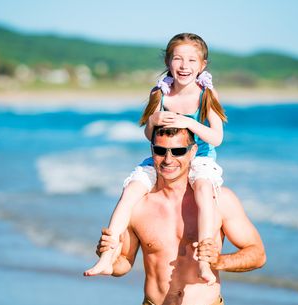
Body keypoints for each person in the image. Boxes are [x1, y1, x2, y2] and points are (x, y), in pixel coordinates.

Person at [94, 126, 266, 305]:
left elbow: (257, 254)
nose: (168, 159)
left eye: (178, 151)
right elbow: (124, 262)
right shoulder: (137, 205)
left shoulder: (219, 200)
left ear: (193, 151)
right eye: (160, 150)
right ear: (152, 150)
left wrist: (219, 261)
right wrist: (111, 261)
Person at [84, 33, 227, 285]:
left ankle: (204, 260)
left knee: (204, 191)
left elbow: (216, 137)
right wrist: (153, 121)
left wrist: (186, 122)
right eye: (178, 59)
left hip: (200, 156)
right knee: (131, 190)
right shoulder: (160, 92)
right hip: (164, 156)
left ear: (202, 65)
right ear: (168, 61)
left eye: (192, 60)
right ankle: (107, 256)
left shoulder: (206, 94)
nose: (185, 66)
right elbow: (149, 135)